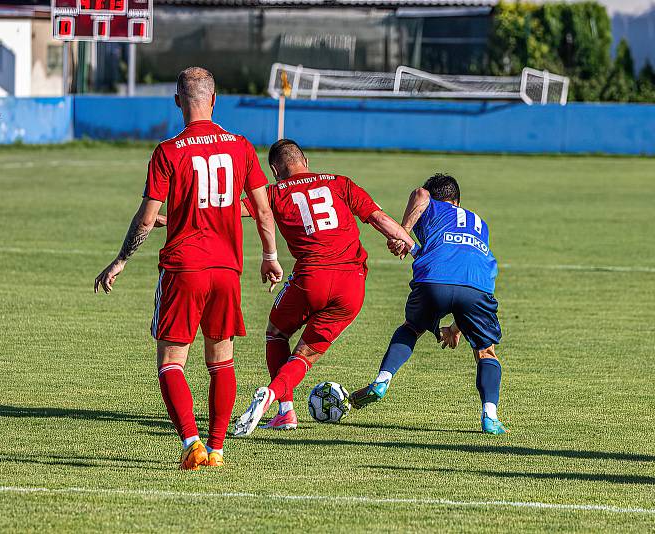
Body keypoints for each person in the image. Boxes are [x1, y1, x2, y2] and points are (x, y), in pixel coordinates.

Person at [94, 67, 282, 470]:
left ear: (178, 101)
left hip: (184, 268)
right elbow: (263, 208)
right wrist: (269, 255)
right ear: (214, 100)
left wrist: (122, 259)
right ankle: (216, 450)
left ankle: (191, 442)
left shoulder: (169, 151)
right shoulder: (241, 147)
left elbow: (147, 218)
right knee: (222, 361)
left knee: (171, 362)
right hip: (227, 270)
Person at [232, 139, 415, 437]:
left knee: (276, 333)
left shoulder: (272, 192)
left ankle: (285, 409)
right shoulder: (340, 183)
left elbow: (228, 211)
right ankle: (275, 398)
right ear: (305, 160)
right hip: (353, 285)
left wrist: (168, 219)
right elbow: (380, 219)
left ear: (276, 170)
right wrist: (407, 243)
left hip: (311, 279)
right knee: (304, 355)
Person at [350, 173, 507, 434]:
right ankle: (490, 416)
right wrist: (456, 330)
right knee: (485, 351)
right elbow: (465, 280)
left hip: (434, 280)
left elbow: (420, 195)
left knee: (412, 328)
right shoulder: (480, 223)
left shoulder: (433, 204)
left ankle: (381, 381)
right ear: (457, 201)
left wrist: (403, 233)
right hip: (477, 288)